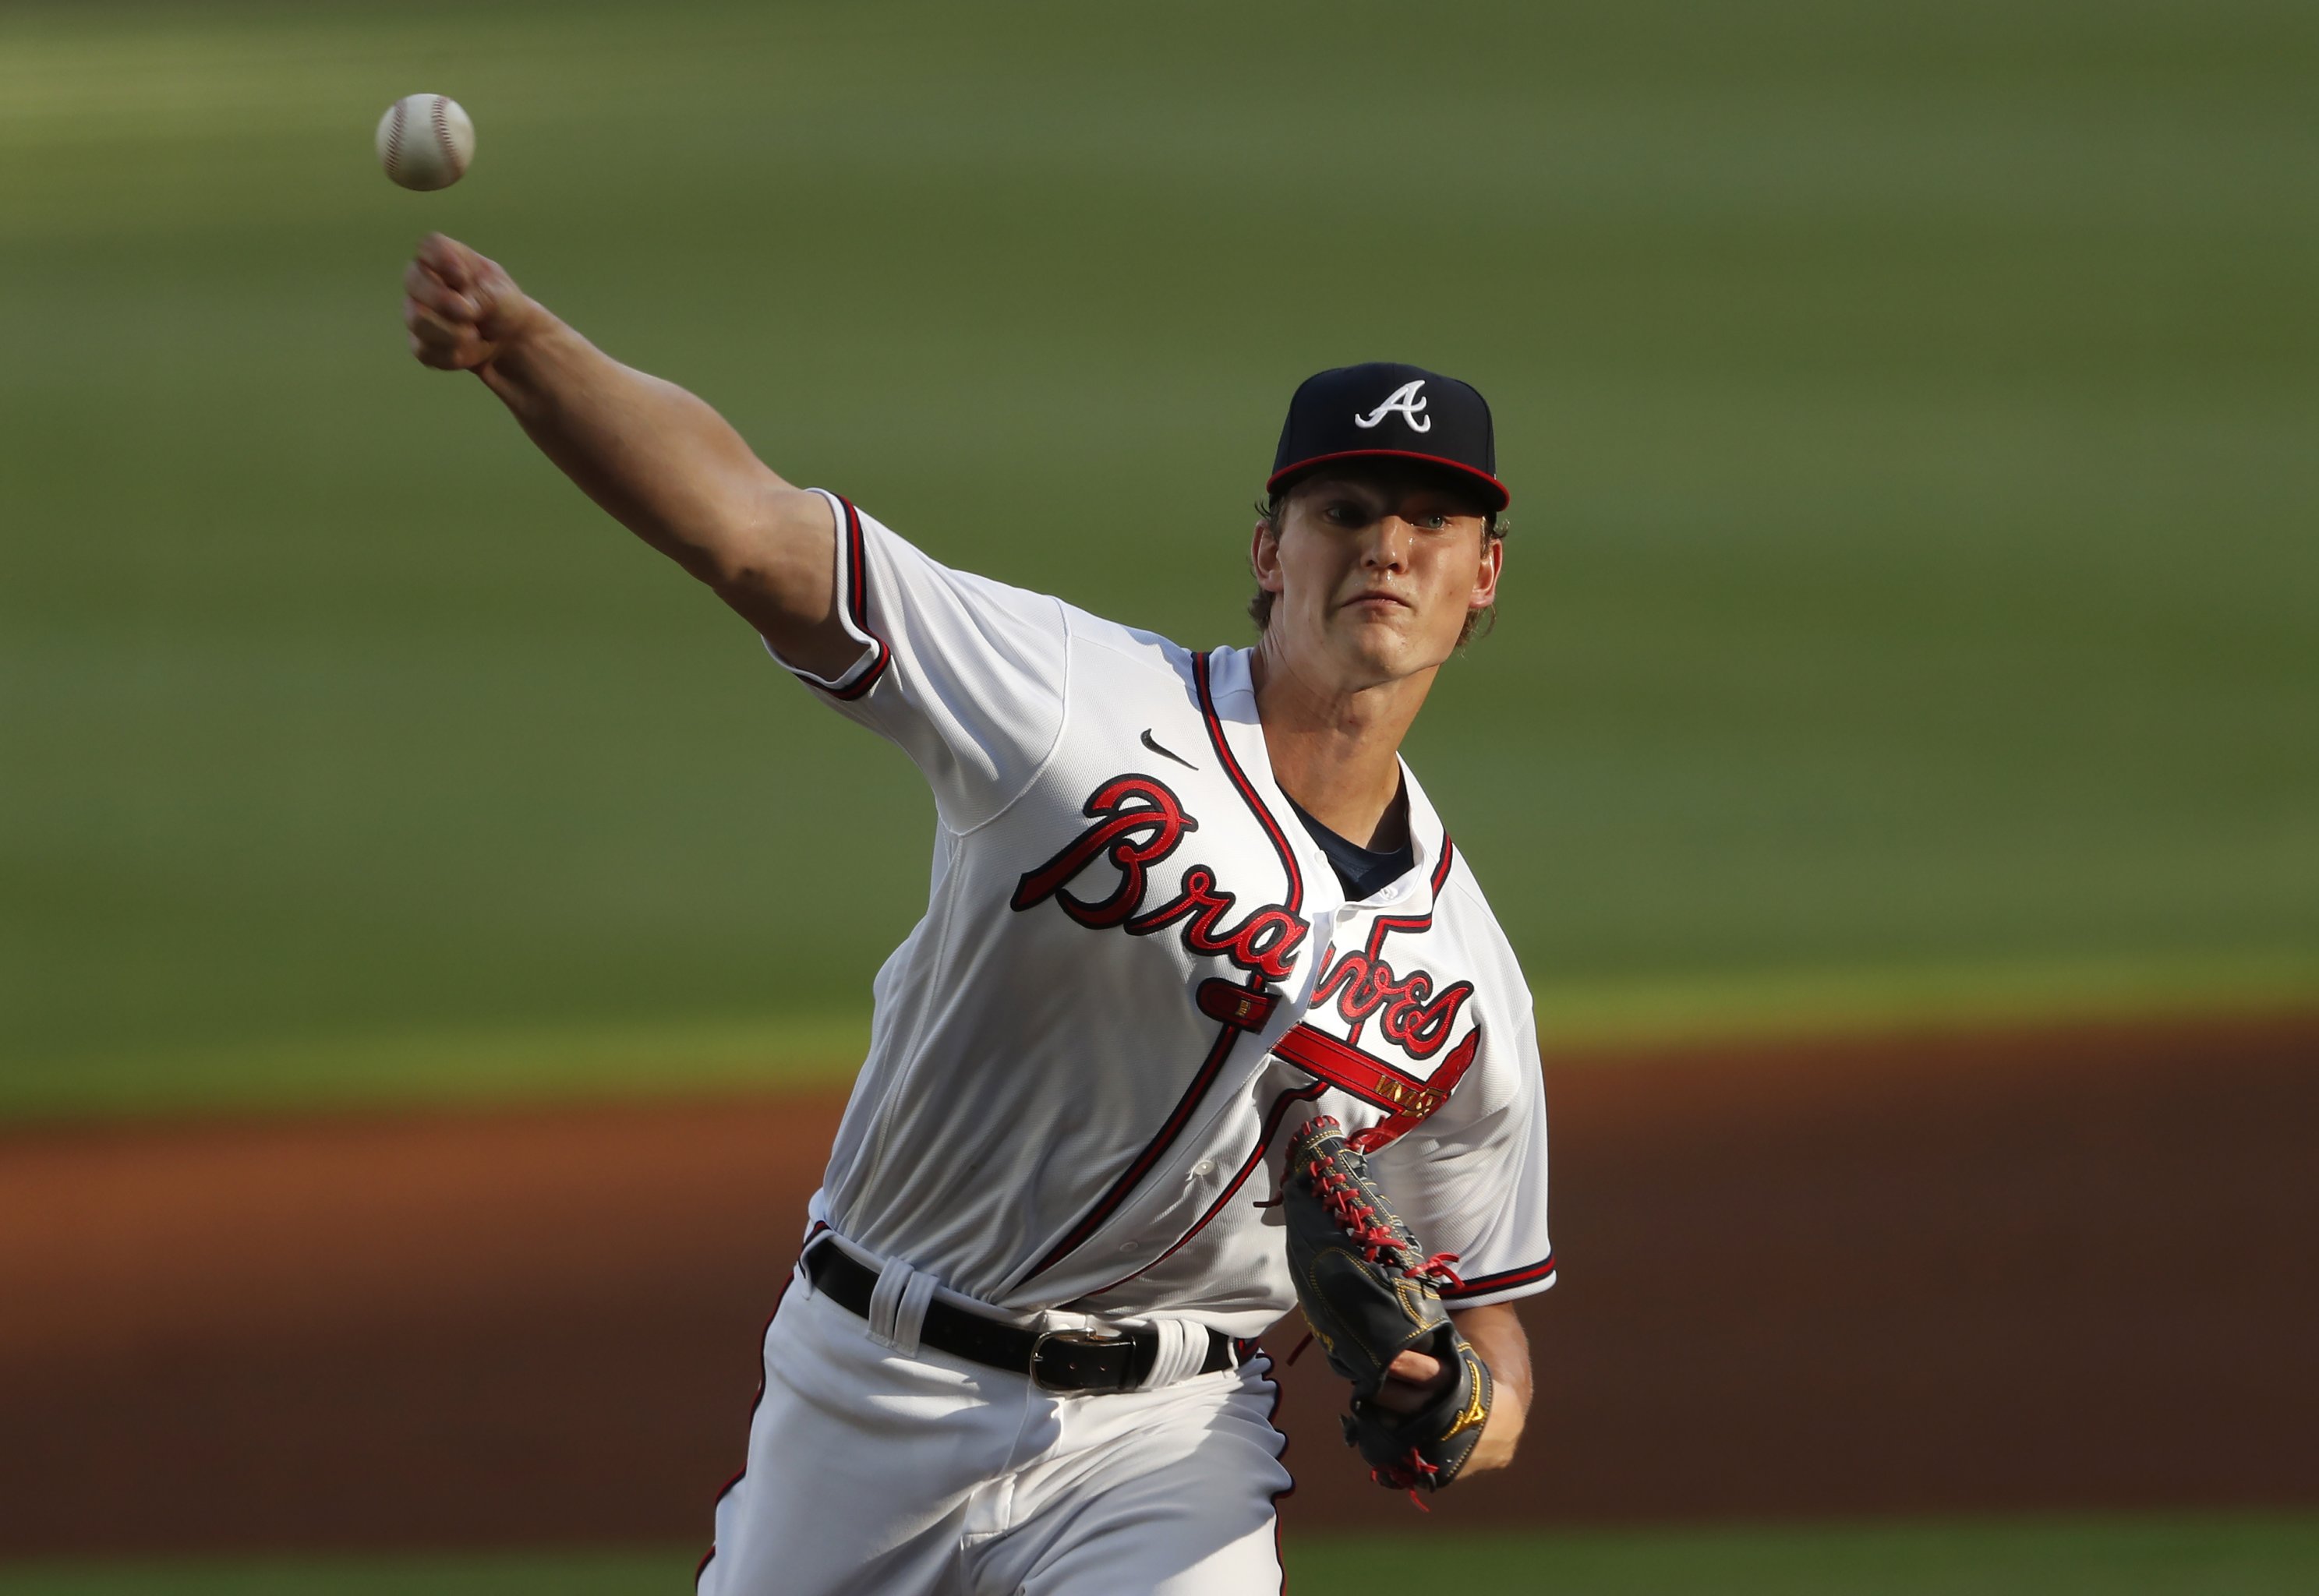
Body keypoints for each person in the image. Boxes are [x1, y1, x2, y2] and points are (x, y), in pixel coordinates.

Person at [401, 232, 1554, 1596]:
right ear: (1269, 547)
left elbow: (1488, 1317)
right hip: (875, 1390)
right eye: (1347, 510)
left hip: (1165, 1445)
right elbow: (755, 535)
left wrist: (1467, 1413)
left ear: (1483, 574)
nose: (1388, 548)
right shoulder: (1073, 702)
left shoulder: (1467, 981)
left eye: (1432, 521)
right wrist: (525, 348)